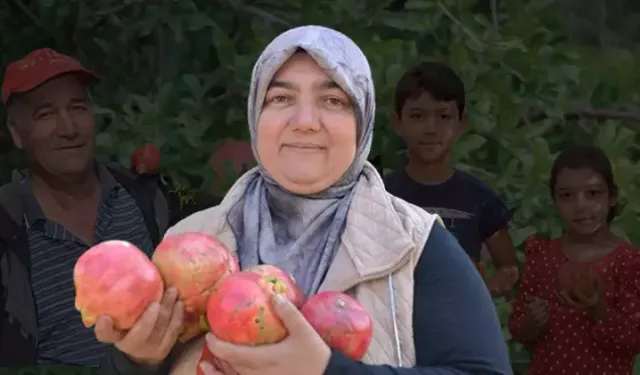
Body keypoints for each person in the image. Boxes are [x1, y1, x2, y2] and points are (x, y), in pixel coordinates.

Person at [109, 25, 511, 375]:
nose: (304, 120)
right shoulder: (192, 240)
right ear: (255, 117)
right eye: (281, 98)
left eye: (333, 100)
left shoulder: (415, 245)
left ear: (363, 122)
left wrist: (327, 371)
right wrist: (138, 362)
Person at [0, 48, 184, 372]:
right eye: (46, 114)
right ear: (17, 132)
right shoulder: (8, 227)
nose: (69, 128)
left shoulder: (146, 198)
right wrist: (132, 362)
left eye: (78, 107)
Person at [383, 61, 519, 297]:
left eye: (444, 116)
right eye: (417, 116)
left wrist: (483, 291)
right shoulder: (380, 195)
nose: (431, 128)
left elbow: (509, 268)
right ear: (397, 122)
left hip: (459, 325)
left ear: (461, 123)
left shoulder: (480, 199)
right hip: (393, 326)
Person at [508, 145, 640, 375]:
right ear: (554, 200)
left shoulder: (629, 262)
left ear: (612, 196)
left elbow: (633, 341)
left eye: (593, 193)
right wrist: (531, 323)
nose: (580, 206)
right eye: (567, 195)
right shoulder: (542, 257)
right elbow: (518, 328)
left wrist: (597, 309)